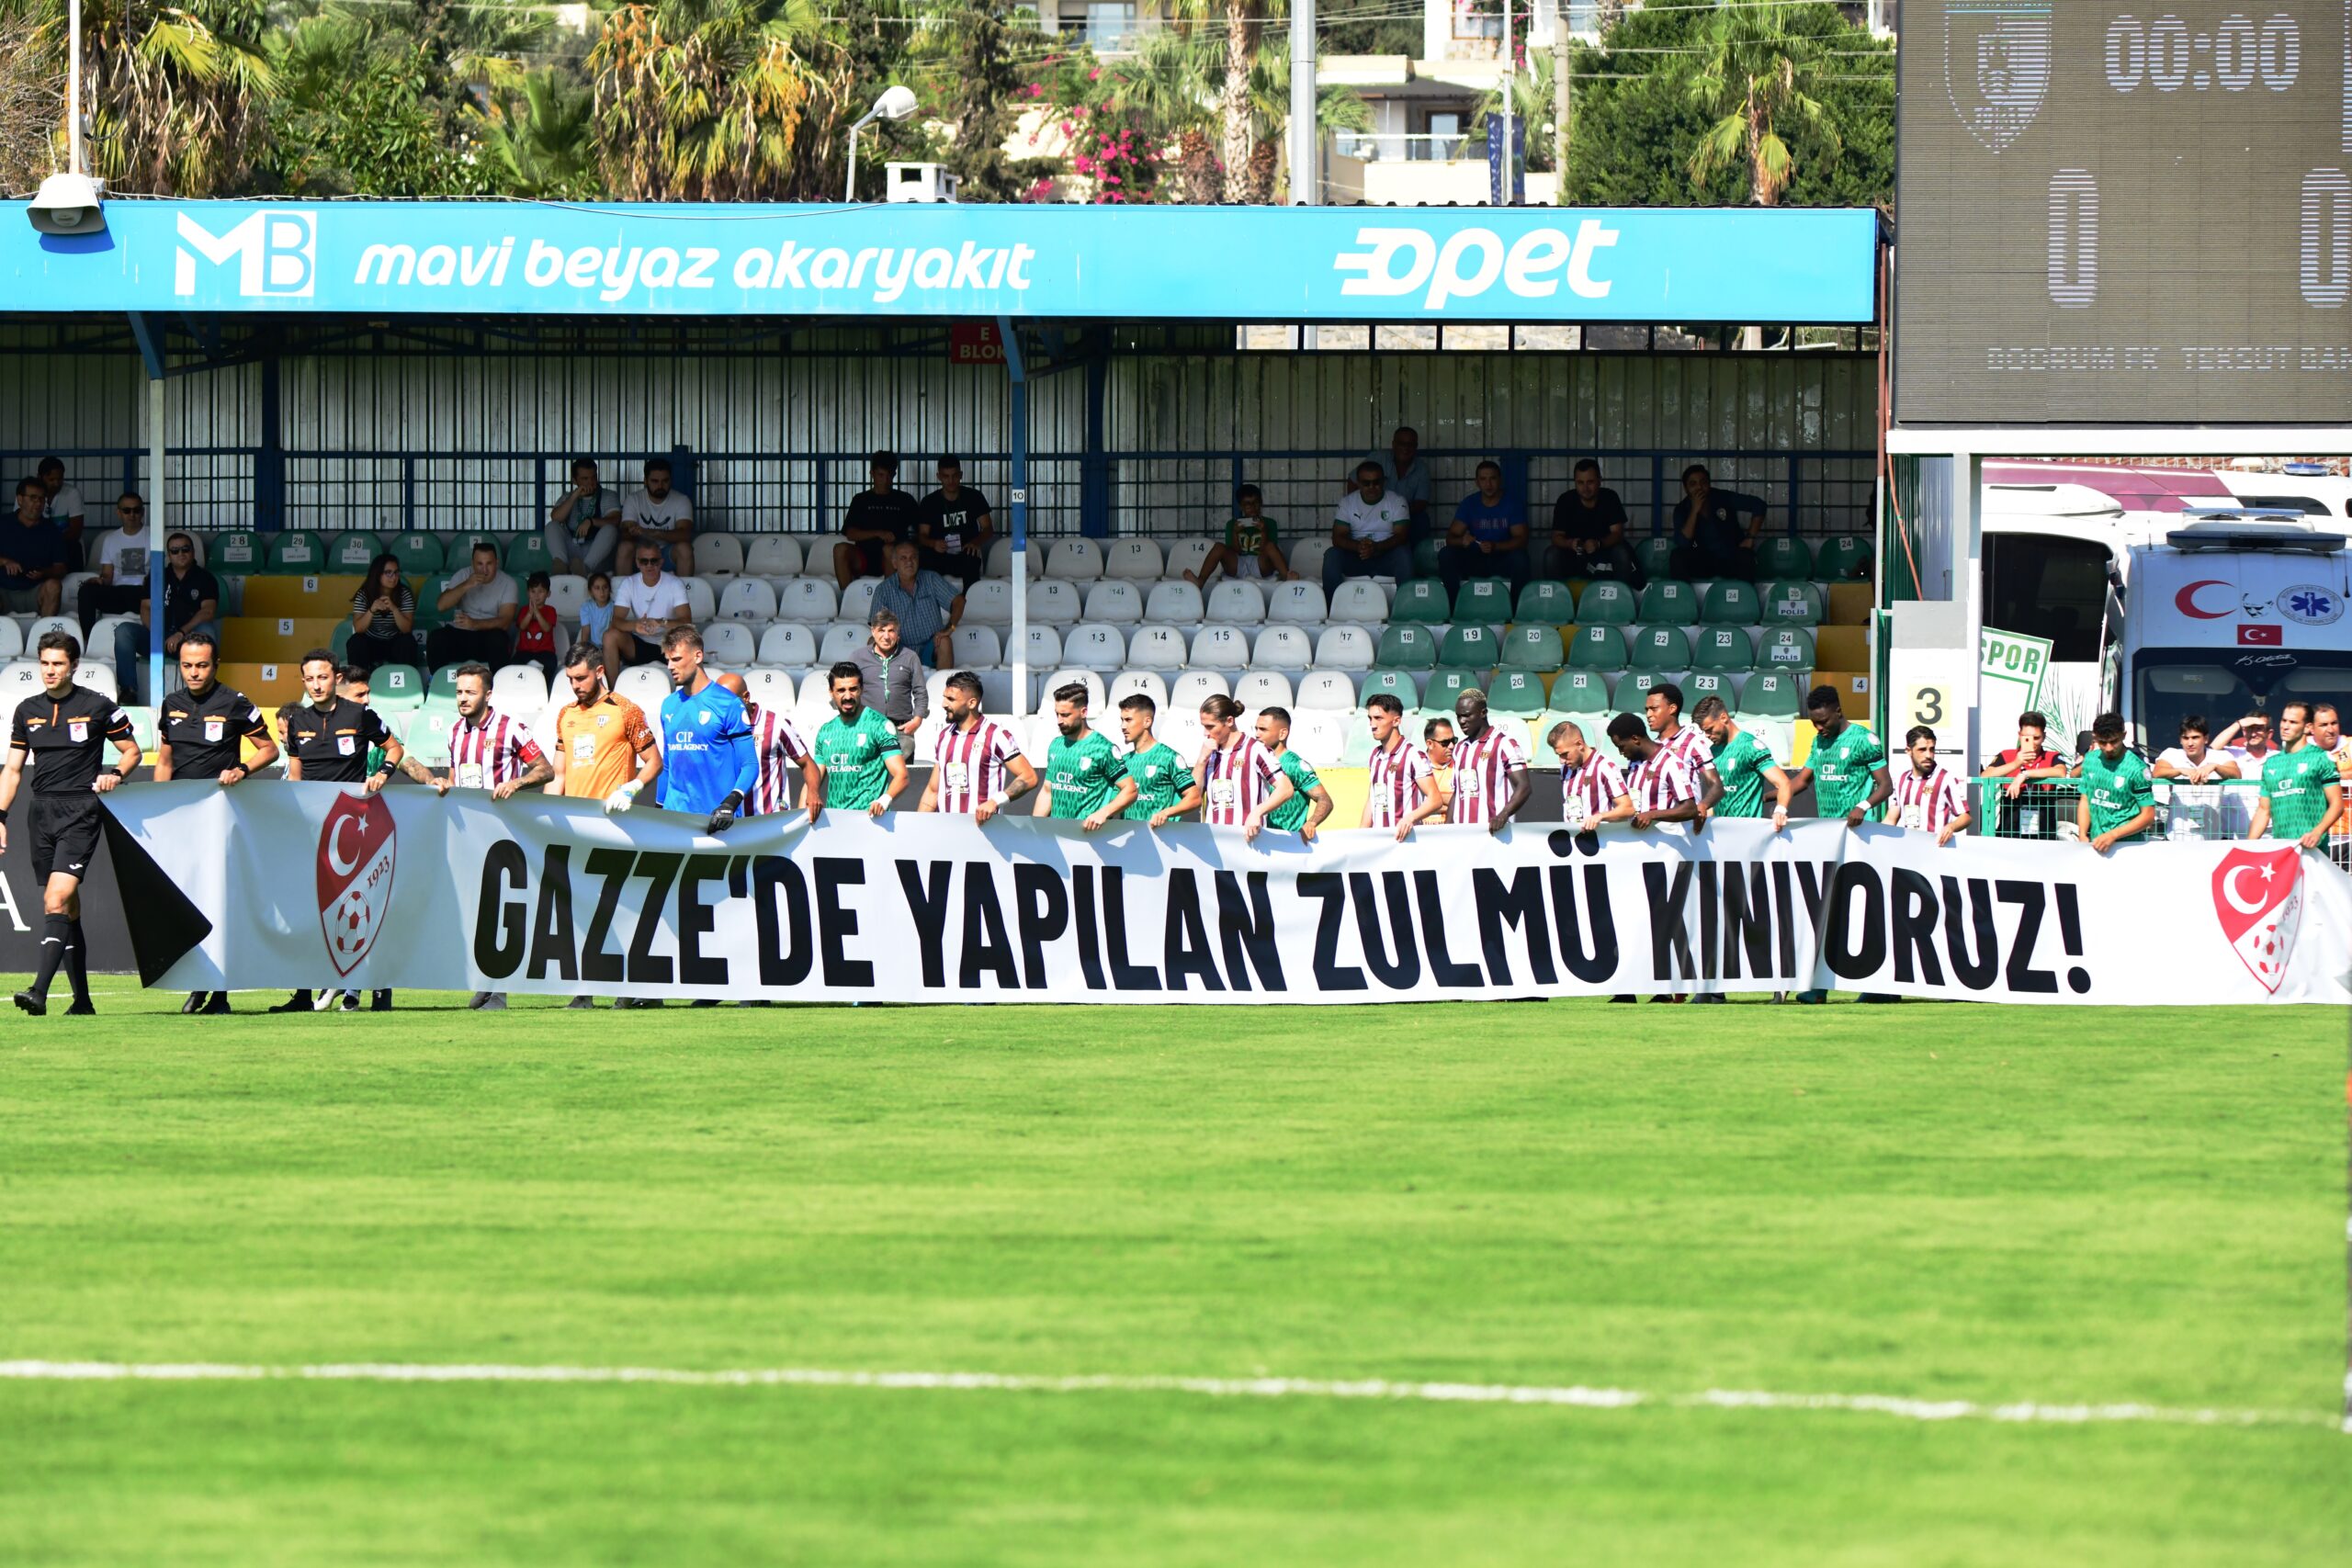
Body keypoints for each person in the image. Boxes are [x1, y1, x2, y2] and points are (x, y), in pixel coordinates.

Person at [0, 631, 141, 1016]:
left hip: (81, 811)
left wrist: (115, 774)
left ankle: (39, 992)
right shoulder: (26, 710)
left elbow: (131, 752)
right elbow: (12, 770)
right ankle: (82, 1002)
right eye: (44, 663)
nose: (50, 670)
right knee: (68, 908)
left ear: (74, 666)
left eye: (58, 664)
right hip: (41, 813)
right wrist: (1, 816)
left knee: (56, 899)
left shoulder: (98, 706)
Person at [273, 649, 412, 1014]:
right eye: (310, 679)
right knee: (311, 910)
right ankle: (309, 991)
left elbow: (394, 749)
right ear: (304, 681)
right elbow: (295, 775)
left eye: (323, 677)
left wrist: (382, 773)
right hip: (312, 828)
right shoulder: (298, 720)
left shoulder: (359, 714)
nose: (317, 685)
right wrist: (293, 816)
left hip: (352, 825)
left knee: (359, 907)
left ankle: (368, 988)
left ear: (336, 678)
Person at [154, 630, 278, 1013]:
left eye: (202, 665)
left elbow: (270, 749)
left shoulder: (235, 703)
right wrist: (159, 809)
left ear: (216, 665)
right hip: (181, 819)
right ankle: (198, 981)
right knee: (188, 903)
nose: (194, 673)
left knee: (218, 901)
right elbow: (164, 762)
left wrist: (242, 769)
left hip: (221, 815)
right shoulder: (171, 704)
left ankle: (220, 991)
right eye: (187, 666)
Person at [438, 663, 554, 1011]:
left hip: (503, 833)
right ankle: (484, 984)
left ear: (488, 695)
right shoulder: (454, 732)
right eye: (459, 692)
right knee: (475, 911)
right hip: (469, 833)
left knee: (502, 909)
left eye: (470, 692)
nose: (462, 698)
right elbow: (455, 778)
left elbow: (545, 769)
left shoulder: (510, 727)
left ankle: (501, 992)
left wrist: (516, 783)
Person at [1788, 686, 1891, 1005]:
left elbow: (1885, 785)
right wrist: (1776, 796)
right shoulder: (1818, 741)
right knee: (1828, 914)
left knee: (1864, 912)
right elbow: (1802, 780)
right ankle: (1819, 988)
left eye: (1823, 721)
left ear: (1838, 711)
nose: (1819, 728)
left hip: (1861, 839)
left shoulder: (1864, 739)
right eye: (1814, 722)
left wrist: (1863, 805)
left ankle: (1880, 987)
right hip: (1829, 841)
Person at [652, 626, 756, 831]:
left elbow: (750, 763)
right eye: (668, 660)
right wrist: (658, 808)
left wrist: (731, 802)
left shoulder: (728, 703)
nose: (670, 666)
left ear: (698, 656)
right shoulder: (668, 705)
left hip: (716, 819)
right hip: (675, 818)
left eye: (677, 659)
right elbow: (668, 764)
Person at [549, 642, 662, 818]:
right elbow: (558, 776)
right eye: (570, 679)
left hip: (612, 818)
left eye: (580, 678)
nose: (575, 685)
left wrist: (631, 789)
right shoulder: (566, 713)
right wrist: (547, 813)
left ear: (599, 671)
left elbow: (655, 761)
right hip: (574, 818)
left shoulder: (626, 710)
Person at [920, 670, 1035, 820]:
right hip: (947, 828)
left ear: (972, 703)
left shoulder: (996, 735)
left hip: (984, 829)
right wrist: (918, 825)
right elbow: (933, 790)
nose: (944, 704)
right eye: (944, 698)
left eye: (951, 699)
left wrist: (995, 801)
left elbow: (1029, 777)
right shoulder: (944, 736)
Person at [713, 671, 820, 818]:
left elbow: (807, 763)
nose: (722, 708)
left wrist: (813, 793)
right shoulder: (715, 727)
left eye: (728, 701)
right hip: (732, 821)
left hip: (771, 821)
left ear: (746, 697)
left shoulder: (776, 724)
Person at [809, 661, 908, 818]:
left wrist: (884, 800)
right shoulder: (825, 731)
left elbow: (902, 775)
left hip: (870, 821)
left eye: (853, 689)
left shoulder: (879, 725)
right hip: (835, 821)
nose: (848, 696)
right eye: (841, 690)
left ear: (861, 689)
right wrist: (801, 817)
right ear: (831, 692)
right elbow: (812, 783)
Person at [2247, 699, 2346, 849]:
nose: (2285, 726)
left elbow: (2337, 804)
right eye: (2284, 720)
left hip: (2313, 848)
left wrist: (2317, 832)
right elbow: (2263, 810)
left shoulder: (2321, 758)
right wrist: (2247, 846)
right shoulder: (2271, 763)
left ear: (2307, 727)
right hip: (2284, 849)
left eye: (2293, 722)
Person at [1036, 682, 1133, 830]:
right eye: (1057, 714)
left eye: (1065, 715)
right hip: (1059, 835)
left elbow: (1130, 790)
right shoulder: (1056, 745)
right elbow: (1047, 790)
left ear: (1083, 712)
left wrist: (1103, 813)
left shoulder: (1103, 748)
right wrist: (1035, 828)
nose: (1059, 721)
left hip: (1089, 837)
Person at [1195, 694, 1291, 840]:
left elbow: (1286, 789)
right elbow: (1194, 798)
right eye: (1204, 726)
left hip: (1248, 841)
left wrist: (1257, 812)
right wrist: (1201, 760)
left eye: (1210, 726)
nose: (1205, 733)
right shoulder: (1209, 752)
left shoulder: (1256, 749)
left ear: (1229, 721)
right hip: (1214, 842)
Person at [1691, 694, 1791, 829]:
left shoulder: (1750, 746)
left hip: (1747, 832)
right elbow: (1719, 803)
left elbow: (1784, 783)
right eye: (1704, 731)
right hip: (1721, 832)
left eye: (1710, 730)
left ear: (1723, 718)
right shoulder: (1713, 751)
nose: (1707, 735)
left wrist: (1780, 811)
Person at [1437, 460, 1531, 603]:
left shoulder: (1512, 503)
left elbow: (1522, 539)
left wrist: (1495, 546)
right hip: (1475, 558)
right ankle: (1454, 605)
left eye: (1493, 478)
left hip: (1502, 558)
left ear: (1500, 480)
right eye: (1483, 479)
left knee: (1521, 559)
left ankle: (1515, 609)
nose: (1488, 484)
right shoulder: (1469, 503)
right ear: (1477, 482)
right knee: (1446, 554)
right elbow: (1450, 538)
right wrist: (1462, 541)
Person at [1323, 461, 1415, 599]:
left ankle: (1406, 605)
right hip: (1357, 557)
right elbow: (1337, 538)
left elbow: (1402, 536)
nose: (1372, 487)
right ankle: (1331, 606)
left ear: (1383, 482)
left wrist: (1376, 547)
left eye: (1376, 482)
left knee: (1404, 554)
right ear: (1358, 483)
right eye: (1366, 483)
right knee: (1332, 554)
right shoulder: (1347, 503)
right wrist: (1358, 547)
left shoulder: (1397, 501)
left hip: (1386, 557)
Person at [835, 450, 923, 590]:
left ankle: (890, 597)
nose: (885, 480)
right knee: (840, 549)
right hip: (863, 558)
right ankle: (846, 596)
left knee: (889, 549)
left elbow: (921, 532)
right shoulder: (860, 500)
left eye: (889, 475)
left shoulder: (905, 500)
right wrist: (878, 533)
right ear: (872, 474)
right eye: (881, 475)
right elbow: (851, 534)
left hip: (894, 559)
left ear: (894, 474)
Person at [1445, 690, 1531, 833]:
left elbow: (1524, 786)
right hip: (1463, 833)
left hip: (1494, 833)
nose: (1461, 721)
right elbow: (1457, 793)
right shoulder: (1459, 748)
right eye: (1458, 716)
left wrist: (1503, 814)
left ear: (1483, 713)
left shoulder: (1504, 744)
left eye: (1467, 715)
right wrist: (1447, 827)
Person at [1547, 459, 1643, 587]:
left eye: (1590, 482)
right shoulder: (1565, 500)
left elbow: (1617, 534)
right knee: (1552, 554)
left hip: (1605, 552)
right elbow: (1556, 537)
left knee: (1622, 551)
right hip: (1574, 554)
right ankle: (1557, 596)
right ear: (1575, 482)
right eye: (1580, 483)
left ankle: (1621, 594)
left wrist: (1599, 544)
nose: (1585, 488)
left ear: (1599, 480)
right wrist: (1570, 543)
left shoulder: (1610, 497)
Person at [603, 543, 692, 680]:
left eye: (654, 561)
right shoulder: (629, 583)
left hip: (669, 643)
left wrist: (660, 622)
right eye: (644, 561)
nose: (649, 565)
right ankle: (613, 690)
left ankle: (685, 690)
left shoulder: (675, 583)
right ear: (637, 563)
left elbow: (687, 621)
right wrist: (636, 626)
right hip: (640, 643)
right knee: (609, 636)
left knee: (689, 638)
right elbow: (616, 621)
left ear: (661, 562)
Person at [869, 540, 963, 670]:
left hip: (931, 646)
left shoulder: (931, 579)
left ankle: (943, 682)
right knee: (874, 642)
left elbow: (959, 601)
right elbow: (877, 627)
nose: (909, 562)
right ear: (895, 563)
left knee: (945, 641)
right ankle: (886, 682)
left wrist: (950, 627)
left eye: (913, 557)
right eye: (903, 558)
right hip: (899, 649)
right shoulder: (883, 590)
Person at [426, 541, 518, 671]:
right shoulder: (463, 575)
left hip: (488, 636)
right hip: (461, 634)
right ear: (472, 563)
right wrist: (467, 584)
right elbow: (441, 606)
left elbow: (505, 622)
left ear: (496, 563)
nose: (484, 570)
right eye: (479, 564)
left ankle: (498, 682)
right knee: (436, 638)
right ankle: (437, 680)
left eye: (489, 564)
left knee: (498, 639)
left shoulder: (508, 583)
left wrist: (474, 624)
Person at [2073, 712, 2153, 855]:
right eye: (2103, 742)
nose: (2109, 748)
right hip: (2096, 845)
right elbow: (2085, 799)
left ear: (2124, 735)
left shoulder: (2137, 769)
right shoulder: (2090, 760)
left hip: (2128, 848)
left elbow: (2148, 816)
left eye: (2114, 741)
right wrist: (2082, 834)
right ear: (2095, 738)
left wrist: (2113, 835)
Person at [1668, 464, 1766, 581]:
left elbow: (1759, 505)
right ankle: (1683, 592)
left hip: (1729, 558)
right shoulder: (1681, 509)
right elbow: (1683, 543)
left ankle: (1744, 591)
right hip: (1701, 562)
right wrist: (1694, 510)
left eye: (1703, 482)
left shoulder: (1723, 497)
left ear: (1709, 484)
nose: (1699, 487)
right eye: (1693, 484)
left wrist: (1750, 537)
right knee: (1677, 556)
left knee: (1746, 555)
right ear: (1686, 488)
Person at [2152, 713, 2241, 840]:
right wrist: (2180, 770)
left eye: (2195, 737)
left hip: (2212, 838)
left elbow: (2236, 774)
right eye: (2185, 738)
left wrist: (2215, 767)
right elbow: (2157, 772)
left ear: (2206, 739)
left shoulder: (2221, 756)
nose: (2190, 743)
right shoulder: (2171, 754)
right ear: (2180, 740)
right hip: (2177, 837)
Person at [1362, 693, 1438, 839]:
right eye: (1370, 718)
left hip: (1406, 841)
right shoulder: (1375, 756)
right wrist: (1361, 835)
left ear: (1396, 721)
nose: (1372, 725)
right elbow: (1372, 799)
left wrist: (1410, 818)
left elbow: (1435, 799)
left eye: (1378, 718)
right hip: (1380, 840)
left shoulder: (1413, 755)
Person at [1115, 692, 1199, 825]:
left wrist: (1166, 813)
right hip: (1129, 835)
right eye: (1122, 720)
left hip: (1159, 835)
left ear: (1147, 722)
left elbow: (1194, 798)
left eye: (1128, 720)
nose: (1123, 726)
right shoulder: (1123, 761)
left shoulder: (1168, 758)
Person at [75, 491, 148, 637]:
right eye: (127, 511)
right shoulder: (111, 539)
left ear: (143, 512)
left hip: (144, 592)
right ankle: (88, 639)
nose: (132, 515)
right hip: (118, 592)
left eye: (136, 510)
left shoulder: (154, 536)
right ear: (119, 513)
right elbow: (108, 575)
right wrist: (100, 580)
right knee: (86, 591)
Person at [1189, 485, 1295, 585]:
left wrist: (1263, 531)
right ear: (1241, 506)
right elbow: (1235, 552)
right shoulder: (1232, 524)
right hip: (1238, 563)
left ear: (1261, 503)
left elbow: (1267, 551)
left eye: (1255, 502)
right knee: (1218, 547)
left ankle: (1289, 581)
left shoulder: (1270, 523)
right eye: (1247, 504)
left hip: (1260, 563)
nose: (1252, 507)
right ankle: (1200, 581)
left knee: (1270, 546)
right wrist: (1235, 533)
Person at [1884, 724, 1973, 844]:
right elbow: (1891, 819)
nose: (1928, 755)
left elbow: (1966, 817)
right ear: (1908, 751)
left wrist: (1951, 827)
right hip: (1907, 847)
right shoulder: (1901, 779)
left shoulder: (1945, 778)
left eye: (1932, 749)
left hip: (1935, 848)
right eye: (1922, 750)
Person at [917, 455, 994, 591]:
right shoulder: (929, 502)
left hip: (965, 553)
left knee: (971, 556)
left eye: (955, 476)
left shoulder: (974, 496)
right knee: (924, 556)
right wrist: (934, 544)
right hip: (939, 554)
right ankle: (927, 600)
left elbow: (988, 528)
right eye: (946, 476)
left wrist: (975, 542)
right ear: (939, 477)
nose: (951, 481)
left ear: (961, 475)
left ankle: (969, 600)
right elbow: (922, 536)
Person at [1255, 706, 1332, 841]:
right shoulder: (1255, 761)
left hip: (1288, 843)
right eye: (1256, 729)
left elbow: (1325, 800)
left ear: (1282, 734)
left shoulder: (1295, 765)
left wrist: (1311, 823)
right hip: (1260, 841)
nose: (1257, 734)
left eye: (1263, 729)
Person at [851, 609, 928, 742]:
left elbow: (920, 691)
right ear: (873, 631)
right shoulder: (858, 657)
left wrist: (917, 720)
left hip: (901, 729)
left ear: (898, 633)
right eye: (881, 630)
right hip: (866, 727)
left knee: (902, 758)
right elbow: (845, 689)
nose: (886, 636)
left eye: (891, 631)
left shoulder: (910, 657)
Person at [1644, 682, 1720, 816]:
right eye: (1647, 710)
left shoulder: (1693, 743)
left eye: (1654, 709)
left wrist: (1703, 806)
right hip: (1653, 825)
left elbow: (1716, 785)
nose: (1648, 714)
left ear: (1672, 708)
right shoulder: (1652, 746)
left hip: (1683, 825)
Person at [1548, 719, 1634, 832]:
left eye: (1565, 754)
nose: (1561, 761)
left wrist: (1600, 816)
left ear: (1579, 744)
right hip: (1573, 838)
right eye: (1558, 755)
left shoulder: (1604, 766)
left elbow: (1628, 808)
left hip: (1599, 839)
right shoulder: (1565, 769)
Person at [1346, 425, 1430, 539]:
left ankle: (1413, 550)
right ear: (1393, 444)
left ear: (1416, 447)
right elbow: (1353, 481)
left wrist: (1397, 512)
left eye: (1410, 444)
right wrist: (1359, 507)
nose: (1406, 448)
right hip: (1370, 512)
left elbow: (1421, 503)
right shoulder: (1378, 458)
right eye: (1401, 443)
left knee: (1421, 519)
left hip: (1403, 515)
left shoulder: (1422, 469)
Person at [619, 457, 695, 580]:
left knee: (685, 549)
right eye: (655, 481)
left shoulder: (681, 500)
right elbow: (625, 534)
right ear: (645, 481)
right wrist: (632, 531)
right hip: (640, 554)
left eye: (665, 481)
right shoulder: (634, 499)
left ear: (671, 480)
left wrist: (652, 533)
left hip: (666, 554)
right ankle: (623, 591)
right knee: (624, 547)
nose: (660, 485)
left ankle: (683, 591)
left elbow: (685, 535)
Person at [346, 553, 422, 674]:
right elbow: (359, 629)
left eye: (396, 572)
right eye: (388, 573)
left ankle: (408, 680)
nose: (394, 577)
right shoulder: (364, 594)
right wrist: (372, 610)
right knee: (355, 642)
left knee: (408, 641)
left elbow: (406, 629)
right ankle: (358, 681)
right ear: (377, 574)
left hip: (394, 642)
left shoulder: (404, 593)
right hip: (371, 642)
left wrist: (394, 609)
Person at [1, 475, 65, 616]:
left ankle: (45, 630)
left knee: (54, 586)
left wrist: (45, 572)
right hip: (4, 591)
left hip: (35, 593)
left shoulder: (51, 530)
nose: (38, 503)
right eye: (33, 498)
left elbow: (61, 569)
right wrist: (5, 561)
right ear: (20, 499)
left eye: (41, 499)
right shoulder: (3, 523)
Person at [547, 457, 622, 575]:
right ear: (574, 480)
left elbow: (615, 520)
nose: (590, 482)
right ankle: (561, 565)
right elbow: (556, 517)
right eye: (585, 479)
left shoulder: (608, 495)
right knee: (552, 526)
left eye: (593, 477)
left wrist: (591, 521)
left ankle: (585, 568)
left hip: (595, 552)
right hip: (572, 549)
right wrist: (574, 496)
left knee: (610, 529)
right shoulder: (568, 497)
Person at [1984, 710, 2070, 801]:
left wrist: (2024, 774)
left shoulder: (2053, 756)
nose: (2032, 742)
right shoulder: (2006, 754)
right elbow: (1984, 775)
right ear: (2019, 735)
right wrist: (2015, 764)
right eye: (2026, 738)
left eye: (2036, 738)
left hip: (2043, 808)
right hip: (2012, 808)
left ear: (2044, 737)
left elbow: (2061, 772)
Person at [36, 457, 86, 568]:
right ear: (40, 477)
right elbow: (21, 526)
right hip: (37, 546)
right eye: (51, 479)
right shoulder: (28, 494)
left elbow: (76, 532)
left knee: (73, 548)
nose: (56, 483)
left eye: (60, 479)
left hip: (66, 546)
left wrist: (51, 543)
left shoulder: (72, 493)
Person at [513, 571, 561, 682]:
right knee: (514, 665)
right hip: (524, 650)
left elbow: (546, 628)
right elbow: (522, 627)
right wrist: (530, 613)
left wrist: (537, 613)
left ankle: (544, 686)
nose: (536, 595)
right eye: (533, 591)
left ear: (548, 594)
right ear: (528, 593)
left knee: (551, 664)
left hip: (545, 651)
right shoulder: (524, 610)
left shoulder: (551, 610)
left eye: (541, 591)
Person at [1423, 716, 1457, 817]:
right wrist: (1449, 802)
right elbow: (1413, 804)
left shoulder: (1460, 766)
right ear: (1430, 744)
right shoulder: (1415, 767)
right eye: (1445, 742)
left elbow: (1464, 802)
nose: (1451, 746)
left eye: (1454, 740)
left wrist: (1431, 799)